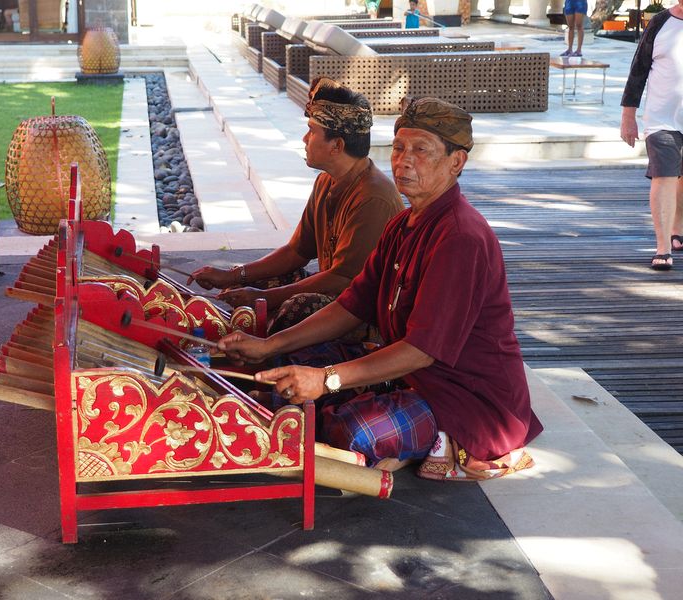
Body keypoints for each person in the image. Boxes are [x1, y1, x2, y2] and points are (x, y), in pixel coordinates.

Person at [219, 97, 543, 479]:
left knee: (352, 431)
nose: (403, 160)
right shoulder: (403, 224)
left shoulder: (460, 237)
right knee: (290, 362)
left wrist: (327, 380)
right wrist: (269, 345)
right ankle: (309, 409)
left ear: (456, 163)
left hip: (465, 397)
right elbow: (352, 305)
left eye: (421, 150)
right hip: (408, 375)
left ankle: (450, 441)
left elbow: (421, 351)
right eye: (399, 148)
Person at [188, 78, 404, 333]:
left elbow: (341, 280)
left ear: (337, 146)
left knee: (295, 307)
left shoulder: (373, 197)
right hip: (336, 292)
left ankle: (266, 356)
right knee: (243, 289)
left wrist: (267, 297)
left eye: (312, 131)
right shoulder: (327, 181)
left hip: (364, 313)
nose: (305, 138)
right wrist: (233, 275)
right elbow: (296, 252)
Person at [621, 0, 683, 271]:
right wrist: (628, 117)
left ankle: (677, 227)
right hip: (662, 120)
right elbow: (638, 70)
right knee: (665, 176)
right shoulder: (659, 22)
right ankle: (663, 247)